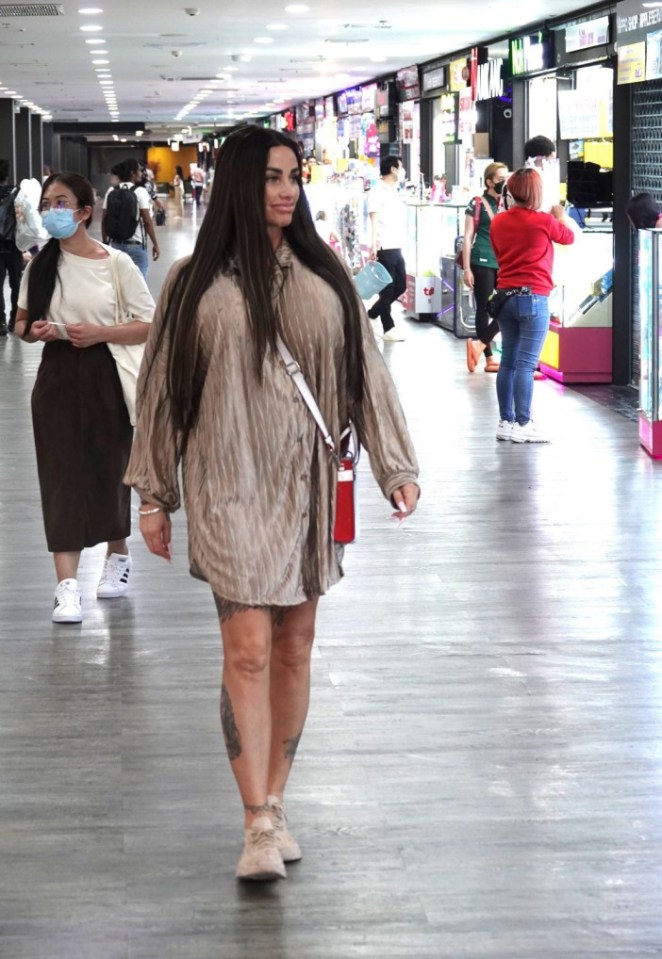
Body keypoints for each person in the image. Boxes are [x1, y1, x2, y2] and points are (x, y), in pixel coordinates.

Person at [124, 126, 420, 882]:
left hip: (310, 488)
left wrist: (394, 465)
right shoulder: (194, 284)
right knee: (247, 646)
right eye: (269, 178)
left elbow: (367, 376)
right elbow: (160, 393)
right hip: (228, 486)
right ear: (239, 186)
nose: (286, 190)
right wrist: (154, 494)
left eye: (292, 176)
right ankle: (255, 818)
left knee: (294, 645)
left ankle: (278, 800)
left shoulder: (327, 279)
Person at [14, 172, 155, 623]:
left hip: (106, 373)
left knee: (108, 469)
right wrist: (34, 332)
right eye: (49, 202)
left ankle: (118, 555)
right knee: (60, 476)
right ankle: (66, 585)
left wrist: (100, 333)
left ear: (84, 212)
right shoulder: (40, 265)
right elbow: (20, 324)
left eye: (62, 202)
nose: (53, 210)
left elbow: (150, 324)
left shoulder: (116, 264)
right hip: (56, 375)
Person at [489, 168, 575, 444]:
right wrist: (560, 216)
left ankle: (505, 422)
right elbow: (569, 238)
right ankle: (524, 424)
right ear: (536, 193)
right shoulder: (543, 221)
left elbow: (498, 253)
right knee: (526, 365)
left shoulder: (498, 222)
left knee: (509, 363)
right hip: (534, 298)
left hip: (504, 298)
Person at [462, 162, 509, 374]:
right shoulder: (478, 202)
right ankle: (489, 357)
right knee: (484, 308)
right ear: (489, 182)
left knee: (509, 306)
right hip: (481, 260)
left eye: (506, 178)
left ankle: (478, 344)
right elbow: (467, 237)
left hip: (505, 261)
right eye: (500, 179)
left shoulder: (509, 202)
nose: (504, 183)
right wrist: (466, 269)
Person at [366, 155, 408, 342]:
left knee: (401, 286)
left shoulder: (394, 190)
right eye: (400, 167)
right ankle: (387, 327)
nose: (402, 171)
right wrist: (373, 244)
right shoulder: (376, 191)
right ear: (393, 169)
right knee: (387, 290)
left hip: (397, 244)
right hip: (385, 246)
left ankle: (371, 314)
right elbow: (374, 219)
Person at [101, 158, 160, 277]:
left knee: (119, 286)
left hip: (115, 246)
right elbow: (147, 221)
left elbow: (104, 220)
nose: (141, 173)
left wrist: (105, 242)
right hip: (135, 246)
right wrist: (155, 244)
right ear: (132, 173)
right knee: (139, 287)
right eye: (139, 171)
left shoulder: (111, 190)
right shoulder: (140, 191)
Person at [0, 158, 24, 335]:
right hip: (14, 246)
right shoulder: (18, 192)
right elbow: (25, 220)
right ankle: (14, 321)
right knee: (16, 284)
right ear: (7, 174)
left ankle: (0, 322)